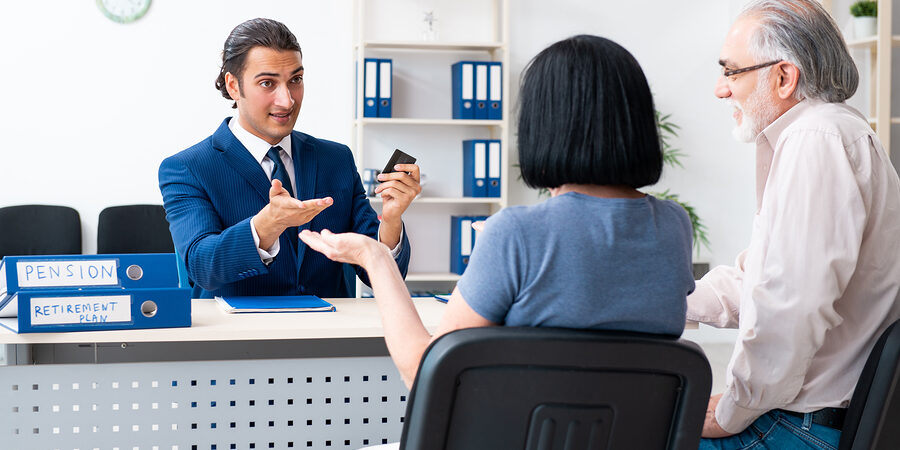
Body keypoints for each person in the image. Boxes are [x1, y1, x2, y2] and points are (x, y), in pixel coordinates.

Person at [299, 34, 696, 389]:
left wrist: (374, 257)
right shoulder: (673, 226)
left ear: (543, 124)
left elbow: (426, 373)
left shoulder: (519, 233)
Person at [693, 1, 900, 448]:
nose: (720, 89)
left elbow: (790, 307)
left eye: (731, 71)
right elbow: (763, 280)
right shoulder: (825, 133)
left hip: (802, 428)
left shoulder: (815, 140)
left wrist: (732, 412)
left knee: (641, 428)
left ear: (784, 77)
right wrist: (667, 298)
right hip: (809, 418)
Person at [158, 18, 420, 299]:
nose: (287, 100)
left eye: (295, 80)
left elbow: (380, 273)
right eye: (268, 83)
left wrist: (391, 220)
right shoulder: (188, 168)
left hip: (328, 336)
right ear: (233, 86)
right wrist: (266, 226)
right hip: (238, 337)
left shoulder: (336, 159)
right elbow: (202, 267)